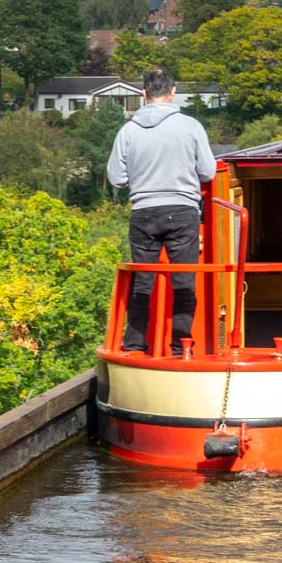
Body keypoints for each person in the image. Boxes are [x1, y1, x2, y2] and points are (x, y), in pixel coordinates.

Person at [107, 67, 216, 356]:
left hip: (143, 212)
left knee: (143, 281)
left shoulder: (128, 130)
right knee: (183, 281)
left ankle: (133, 345)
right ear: (173, 92)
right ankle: (181, 348)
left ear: (143, 94)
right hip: (182, 212)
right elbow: (207, 172)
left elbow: (116, 177)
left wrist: (143, 179)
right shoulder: (190, 126)